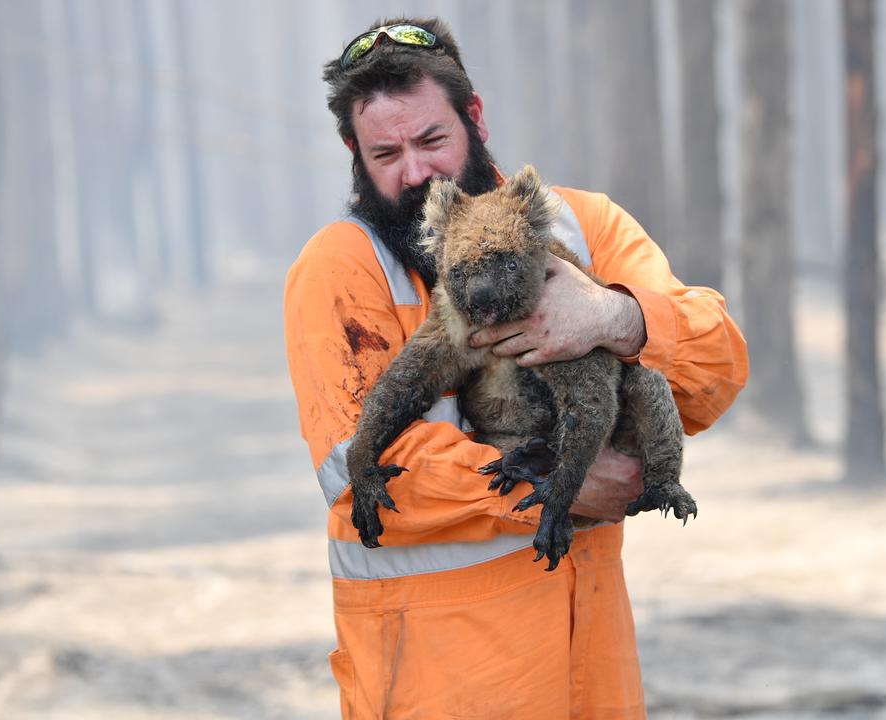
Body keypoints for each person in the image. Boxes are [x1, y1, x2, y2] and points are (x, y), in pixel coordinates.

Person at [284, 17, 749, 719]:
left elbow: (716, 368)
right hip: (435, 687)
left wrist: (616, 318)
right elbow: (357, 466)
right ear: (353, 151)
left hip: (591, 675)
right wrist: (548, 486)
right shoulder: (342, 269)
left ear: (475, 117)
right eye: (386, 152)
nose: (415, 172)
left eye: (432, 140)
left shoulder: (579, 226)